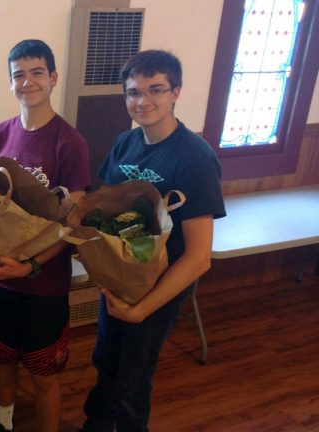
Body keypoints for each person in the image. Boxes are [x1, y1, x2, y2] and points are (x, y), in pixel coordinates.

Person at [81, 50, 226, 431]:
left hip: (158, 290)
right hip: (117, 282)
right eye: (133, 92)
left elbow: (199, 258)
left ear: (176, 92)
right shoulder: (124, 143)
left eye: (155, 90)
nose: (142, 101)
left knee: (132, 380)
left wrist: (143, 308)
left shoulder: (195, 158)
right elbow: (105, 210)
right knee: (105, 361)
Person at [0, 39, 92, 432]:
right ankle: (3, 425)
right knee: (2, 359)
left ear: (53, 77)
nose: (28, 82)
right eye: (19, 75)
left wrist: (28, 267)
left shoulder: (69, 143)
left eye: (37, 72)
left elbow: (72, 224)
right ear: (10, 83)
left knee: (44, 373)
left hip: (43, 283)